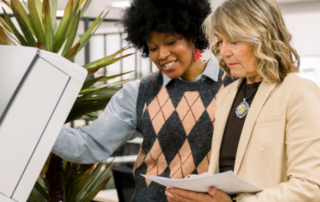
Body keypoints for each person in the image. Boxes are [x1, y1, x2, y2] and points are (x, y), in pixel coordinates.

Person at [52, 0, 234, 201]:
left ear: (193, 36)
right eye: (153, 47)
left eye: (171, 42)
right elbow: (88, 145)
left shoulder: (234, 86)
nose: (163, 55)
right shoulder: (138, 93)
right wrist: (35, 124)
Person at [166, 0, 320, 201]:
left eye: (234, 41)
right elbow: (230, 172)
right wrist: (192, 190)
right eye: (220, 41)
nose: (223, 52)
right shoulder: (227, 95)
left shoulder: (299, 92)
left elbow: (311, 186)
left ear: (263, 38)